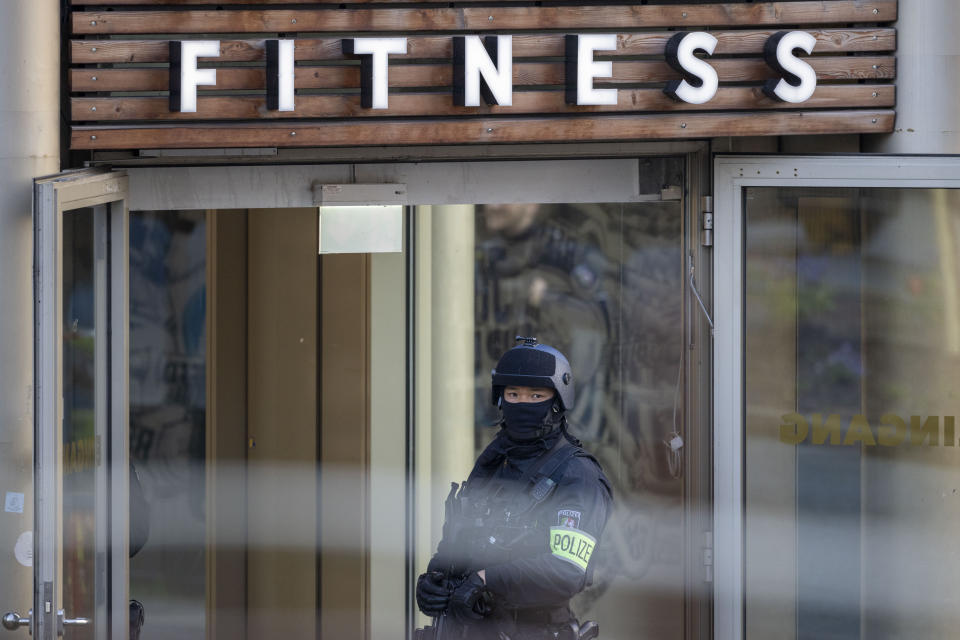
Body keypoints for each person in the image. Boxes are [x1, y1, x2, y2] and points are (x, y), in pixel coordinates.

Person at [415, 337, 613, 640]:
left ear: (558, 401)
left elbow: (566, 570)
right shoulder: (494, 462)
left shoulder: (577, 474)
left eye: (536, 395)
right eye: (513, 394)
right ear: (501, 399)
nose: (523, 403)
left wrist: (487, 579)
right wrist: (436, 579)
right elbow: (462, 537)